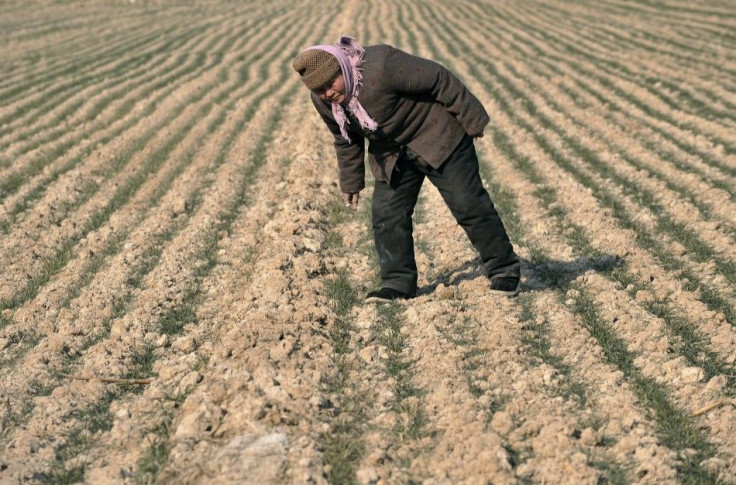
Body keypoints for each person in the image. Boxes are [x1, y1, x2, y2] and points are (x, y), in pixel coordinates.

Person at [292, 36, 520, 303]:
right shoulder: (324, 102)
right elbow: (345, 138)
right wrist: (351, 181)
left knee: (468, 204)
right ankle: (398, 282)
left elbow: (438, 77)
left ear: (343, 67)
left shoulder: (381, 65)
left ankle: (504, 270)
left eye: (331, 84)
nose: (328, 93)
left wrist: (472, 119)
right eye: (319, 90)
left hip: (437, 135)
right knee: (387, 215)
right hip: (392, 153)